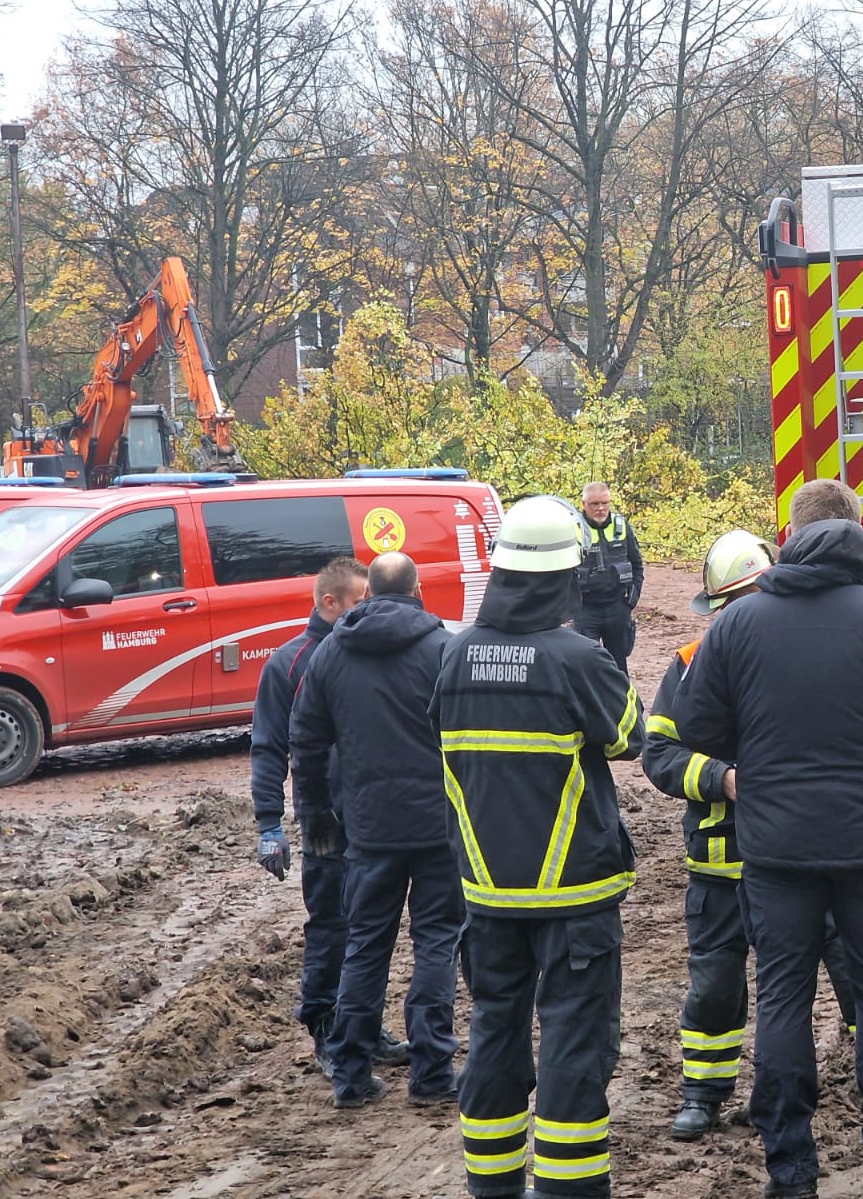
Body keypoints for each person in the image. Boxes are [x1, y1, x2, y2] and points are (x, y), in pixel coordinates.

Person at [674, 510, 863, 1199]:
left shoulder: (739, 627)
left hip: (777, 851)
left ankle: (790, 1171)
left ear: (786, 558)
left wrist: (760, 742)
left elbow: (696, 726)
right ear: (862, 563)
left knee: (781, 1000)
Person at [431, 495, 644, 1199]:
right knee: (575, 1041)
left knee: (494, 1031)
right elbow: (627, 737)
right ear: (565, 578)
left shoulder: (454, 654)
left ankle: (491, 1185)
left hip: (487, 896)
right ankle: (567, 1188)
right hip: (573, 895)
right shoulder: (577, 658)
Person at [290, 551, 463, 1110]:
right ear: (417, 592)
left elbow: (306, 741)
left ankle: (350, 1076)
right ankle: (432, 1071)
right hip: (438, 826)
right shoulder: (443, 648)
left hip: (366, 830)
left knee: (365, 946)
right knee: (437, 942)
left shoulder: (332, 653)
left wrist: (315, 811)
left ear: (368, 595)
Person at [250, 557, 409, 1076]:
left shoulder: (369, 654)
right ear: (329, 603)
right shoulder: (290, 664)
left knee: (369, 928)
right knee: (330, 926)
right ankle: (325, 1027)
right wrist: (269, 823)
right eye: (362, 601)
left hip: (372, 815)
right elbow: (269, 747)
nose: (373, 609)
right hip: (323, 819)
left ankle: (361, 1025)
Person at [574, 481, 643, 672]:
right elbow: (561, 572)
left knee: (618, 668)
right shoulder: (573, 530)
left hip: (617, 608)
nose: (601, 508)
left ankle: (621, 701)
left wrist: (633, 598)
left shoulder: (622, 526)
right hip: (586, 610)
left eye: (605, 503)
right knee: (586, 666)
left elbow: (637, 565)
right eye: (594, 504)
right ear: (583, 504)